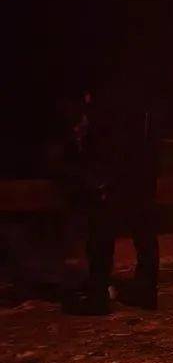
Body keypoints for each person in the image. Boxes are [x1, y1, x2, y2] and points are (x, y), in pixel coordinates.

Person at [63, 78, 160, 315]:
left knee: (101, 236)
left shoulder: (108, 114)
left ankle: (99, 295)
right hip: (139, 177)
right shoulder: (138, 111)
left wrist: (101, 181)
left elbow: (108, 149)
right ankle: (144, 291)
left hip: (119, 180)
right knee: (142, 233)